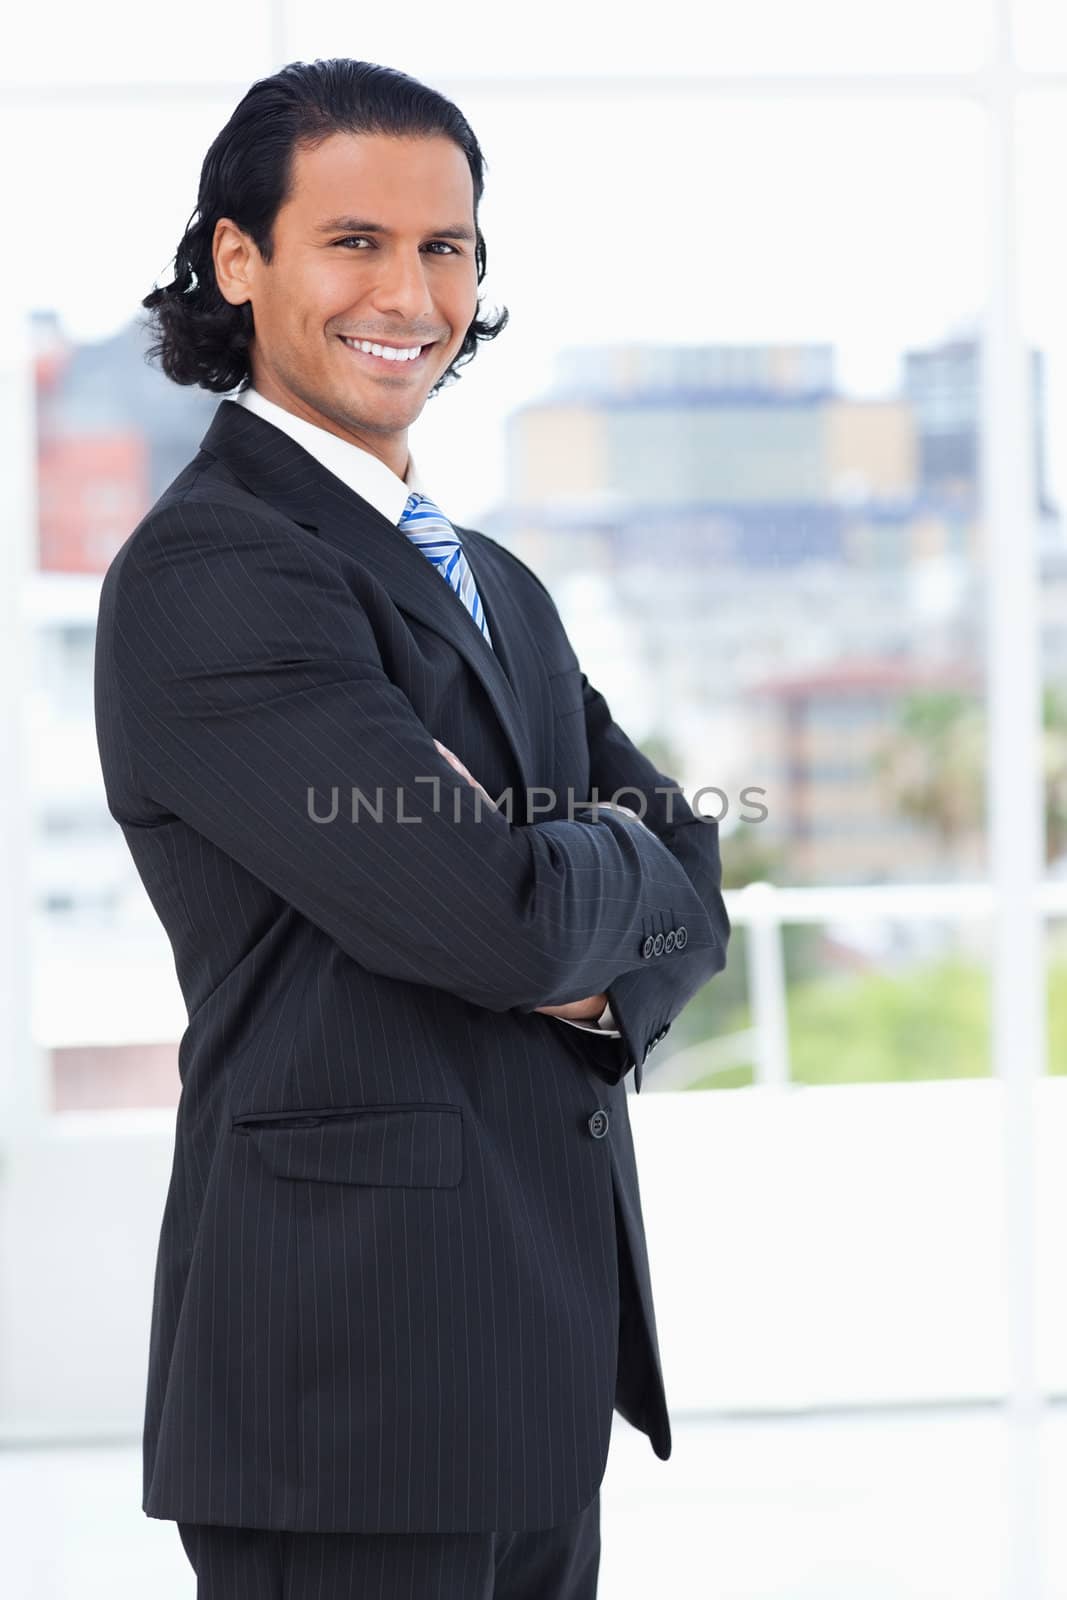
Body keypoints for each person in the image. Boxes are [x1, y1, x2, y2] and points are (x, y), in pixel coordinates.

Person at [93, 56, 730, 1599]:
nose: (411, 290)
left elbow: (695, 884)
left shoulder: (490, 580)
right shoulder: (217, 573)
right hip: (349, 1387)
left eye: (446, 246)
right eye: (355, 240)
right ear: (239, 261)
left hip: (533, 1360)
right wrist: (561, 893)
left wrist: (569, 886)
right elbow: (495, 919)